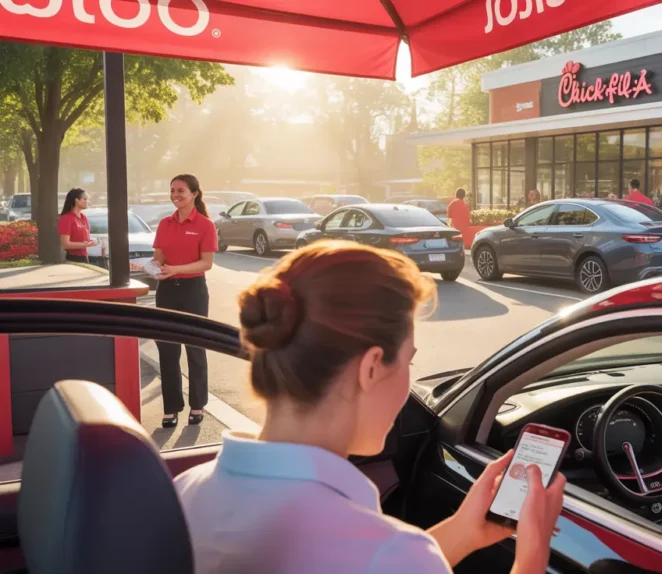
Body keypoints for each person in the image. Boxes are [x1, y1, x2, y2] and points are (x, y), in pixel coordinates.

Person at [174, 241, 566, 574]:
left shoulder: (183, 492)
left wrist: (463, 530)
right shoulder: (389, 553)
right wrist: (531, 556)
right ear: (372, 367)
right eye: (408, 362)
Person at [153, 174, 217, 428]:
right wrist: (152, 266)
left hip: (194, 291)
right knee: (167, 349)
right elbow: (158, 256)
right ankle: (171, 408)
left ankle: (197, 405)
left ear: (194, 194)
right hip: (166, 290)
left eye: (180, 190)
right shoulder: (164, 223)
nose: (175, 195)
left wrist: (176, 269)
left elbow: (207, 263)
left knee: (195, 348)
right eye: (172, 190)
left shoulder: (205, 225)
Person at [57, 188, 99, 264]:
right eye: (85, 199)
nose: (87, 202)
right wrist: (85, 244)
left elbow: (85, 239)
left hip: (85, 258)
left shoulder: (84, 218)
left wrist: (93, 242)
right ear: (76, 200)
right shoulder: (66, 218)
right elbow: (66, 244)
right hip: (73, 259)